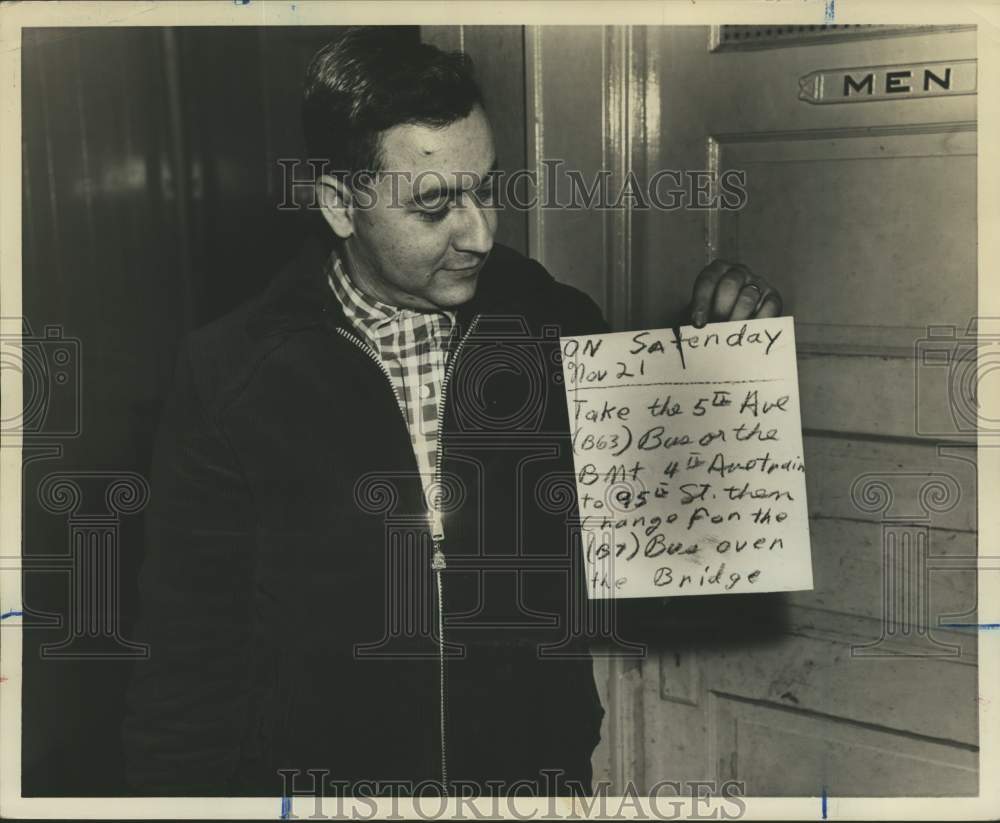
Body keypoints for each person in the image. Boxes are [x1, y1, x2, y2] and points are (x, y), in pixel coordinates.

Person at [122, 26, 782, 799]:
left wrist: (717, 389)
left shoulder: (553, 322)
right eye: (435, 204)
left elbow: (681, 577)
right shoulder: (229, 375)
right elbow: (186, 664)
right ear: (340, 204)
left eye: (487, 187)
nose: (481, 232)